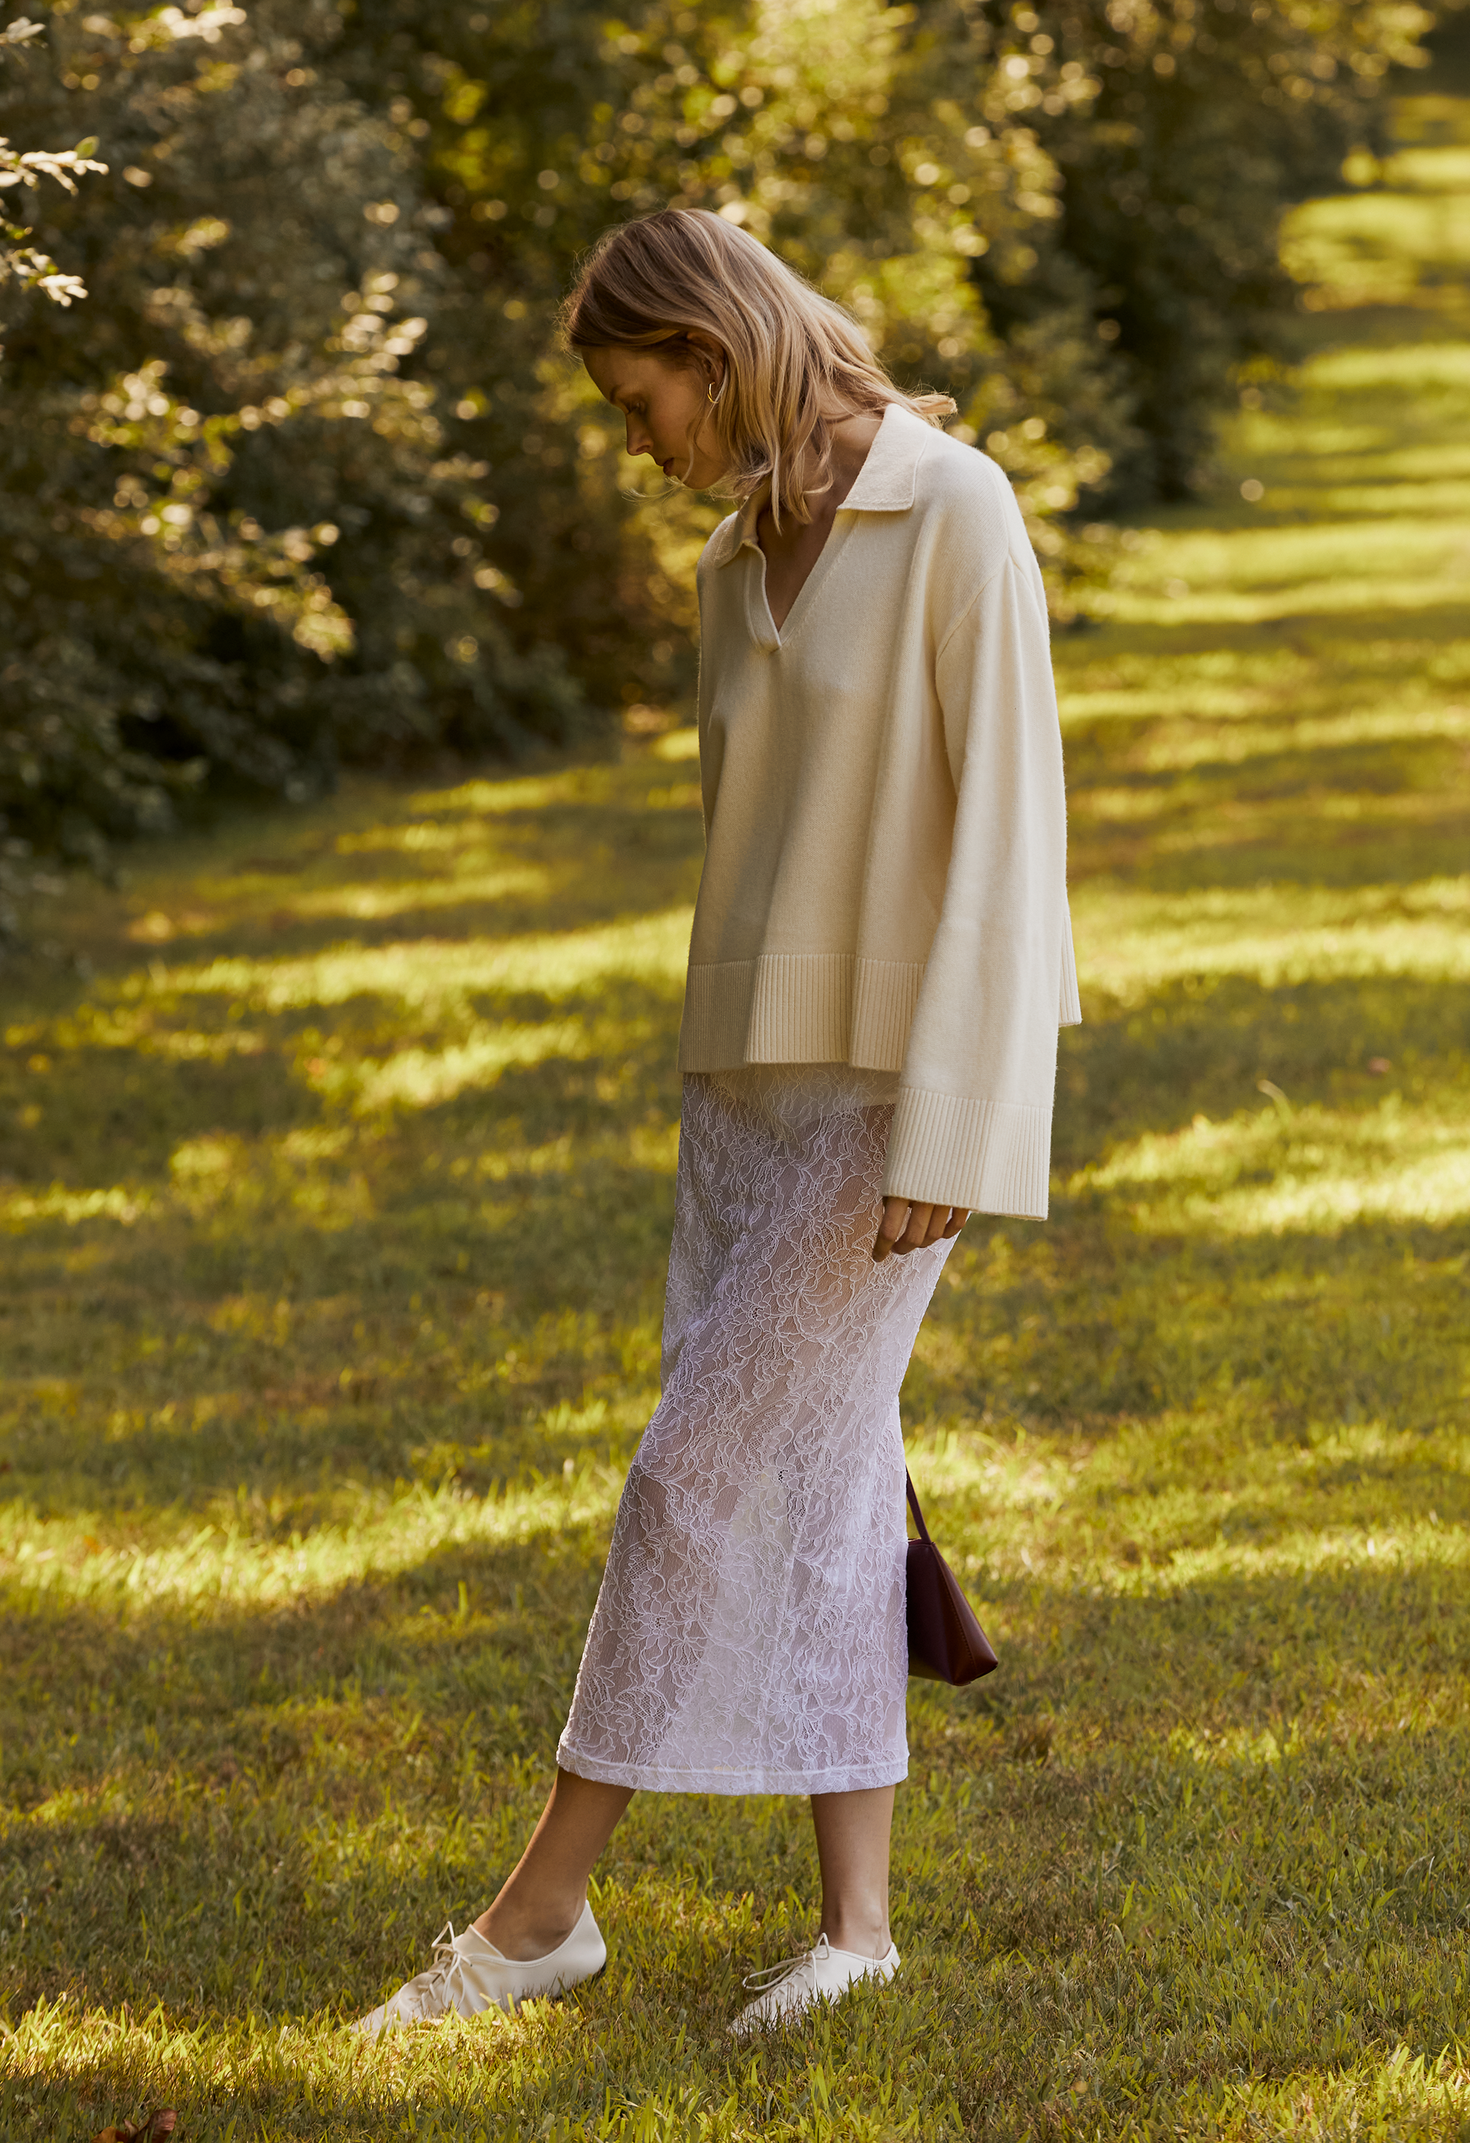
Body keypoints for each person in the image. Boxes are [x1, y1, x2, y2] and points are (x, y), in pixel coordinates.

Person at [357, 206, 1079, 2040]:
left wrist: (955, 1124)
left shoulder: (957, 510)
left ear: (717, 347)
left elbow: (1013, 838)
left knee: (691, 1473)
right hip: (740, 1093)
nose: (636, 438)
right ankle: (859, 1930)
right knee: (823, 1472)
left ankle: (539, 1914)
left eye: (639, 398)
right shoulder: (728, 562)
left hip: (887, 1093)